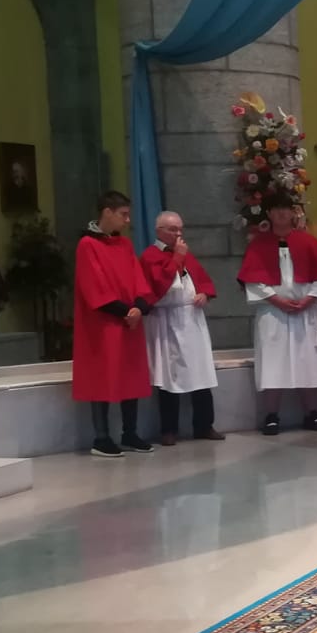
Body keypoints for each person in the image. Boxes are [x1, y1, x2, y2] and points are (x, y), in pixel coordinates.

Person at [237, 190, 317, 435]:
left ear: (293, 212)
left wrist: (308, 299)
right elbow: (253, 281)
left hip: (306, 311)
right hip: (273, 313)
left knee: (310, 362)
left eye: (286, 208)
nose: (282, 213)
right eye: (276, 209)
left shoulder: (308, 242)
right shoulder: (259, 245)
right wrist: (277, 300)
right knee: (273, 363)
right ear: (269, 213)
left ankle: (312, 413)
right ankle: (271, 416)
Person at [72, 191, 153, 458]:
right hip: (103, 324)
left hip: (129, 322)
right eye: (123, 214)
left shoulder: (124, 245)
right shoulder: (87, 245)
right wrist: (126, 311)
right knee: (102, 377)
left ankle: (130, 433)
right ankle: (101, 437)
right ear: (107, 212)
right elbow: (94, 287)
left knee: (131, 376)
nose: (127, 220)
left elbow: (138, 280)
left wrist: (138, 307)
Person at [140, 211, 224, 446]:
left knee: (201, 372)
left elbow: (202, 280)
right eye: (172, 229)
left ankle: (204, 425)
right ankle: (169, 429)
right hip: (167, 319)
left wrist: (204, 294)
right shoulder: (150, 256)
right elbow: (160, 285)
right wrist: (177, 258)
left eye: (180, 229)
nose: (178, 233)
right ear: (159, 231)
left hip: (192, 319)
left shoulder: (185, 254)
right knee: (170, 376)